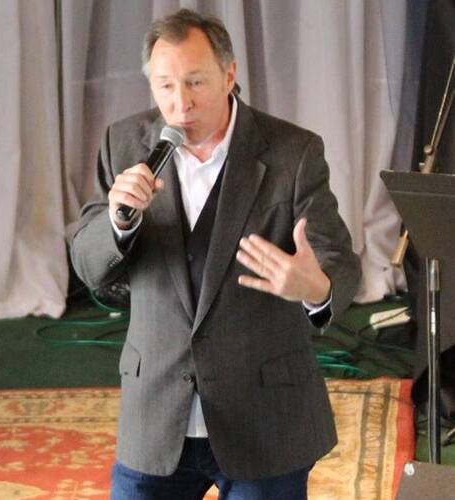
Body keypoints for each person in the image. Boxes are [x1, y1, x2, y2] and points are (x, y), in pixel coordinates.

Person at [70, 8, 361, 500]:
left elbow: (336, 257)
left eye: (195, 82)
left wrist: (315, 287)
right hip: (156, 416)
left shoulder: (293, 151)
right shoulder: (124, 143)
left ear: (229, 75)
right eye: (165, 86)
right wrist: (119, 222)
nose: (180, 103)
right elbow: (88, 263)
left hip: (265, 420)